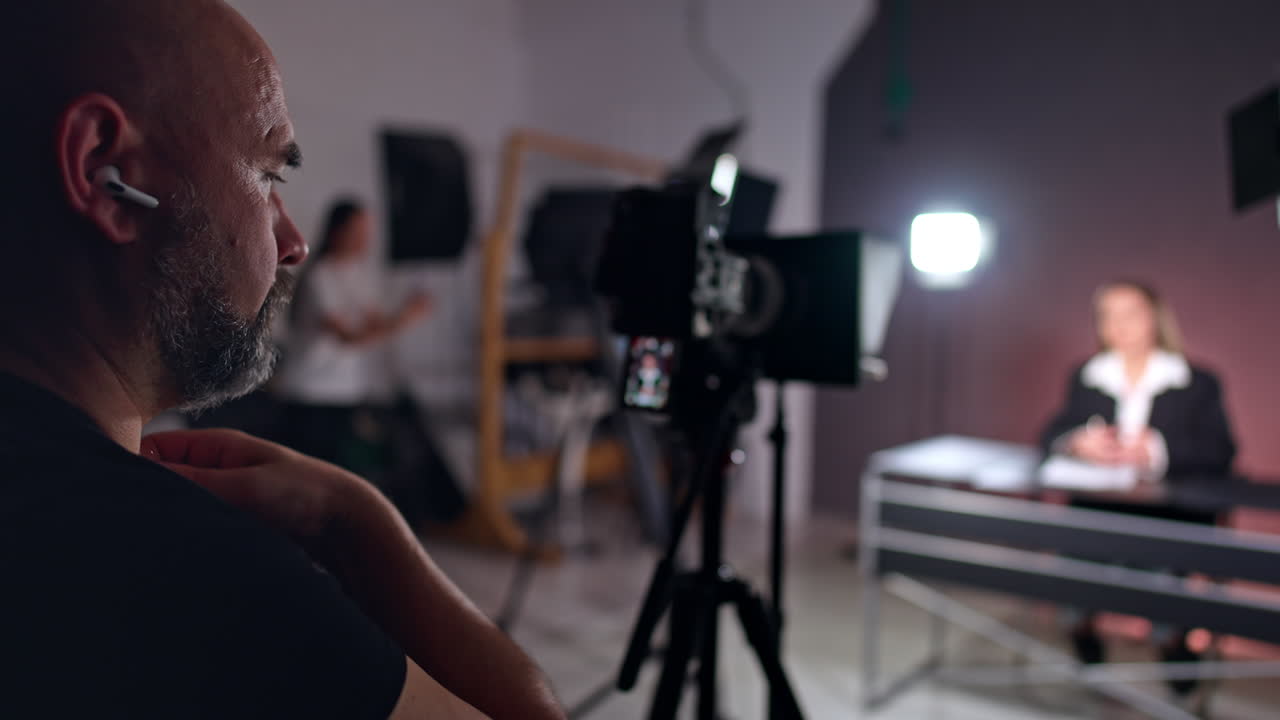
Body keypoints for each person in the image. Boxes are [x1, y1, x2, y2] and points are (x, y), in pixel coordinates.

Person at [0, 2, 563, 718]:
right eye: (269, 176)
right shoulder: (195, 576)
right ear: (106, 171)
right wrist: (361, 527)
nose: (291, 241)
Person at [1040, 279, 1236, 693]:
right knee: (1074, 576)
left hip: (1168, 517)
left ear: (1155, 318)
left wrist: (1156, 450)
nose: (1118, 326)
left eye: (1129, 314)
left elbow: (1220, 449)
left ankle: (1173, 646)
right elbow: (1052, 431)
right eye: (1107, 316)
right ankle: (1084, 635)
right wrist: (1078, 442)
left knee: (1162, 583)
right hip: (1096, 514)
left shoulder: (1196, 381)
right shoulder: (1089, 375)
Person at [276, 197, 429, 465]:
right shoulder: (320, 277)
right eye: (358, 231)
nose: (365, 239)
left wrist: (406, 312)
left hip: (345, 394)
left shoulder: (359, 275)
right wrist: (407, 318)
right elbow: (347, 338)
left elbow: (375, 324)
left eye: (367, 232)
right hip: (311, 395)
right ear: (337, 231)